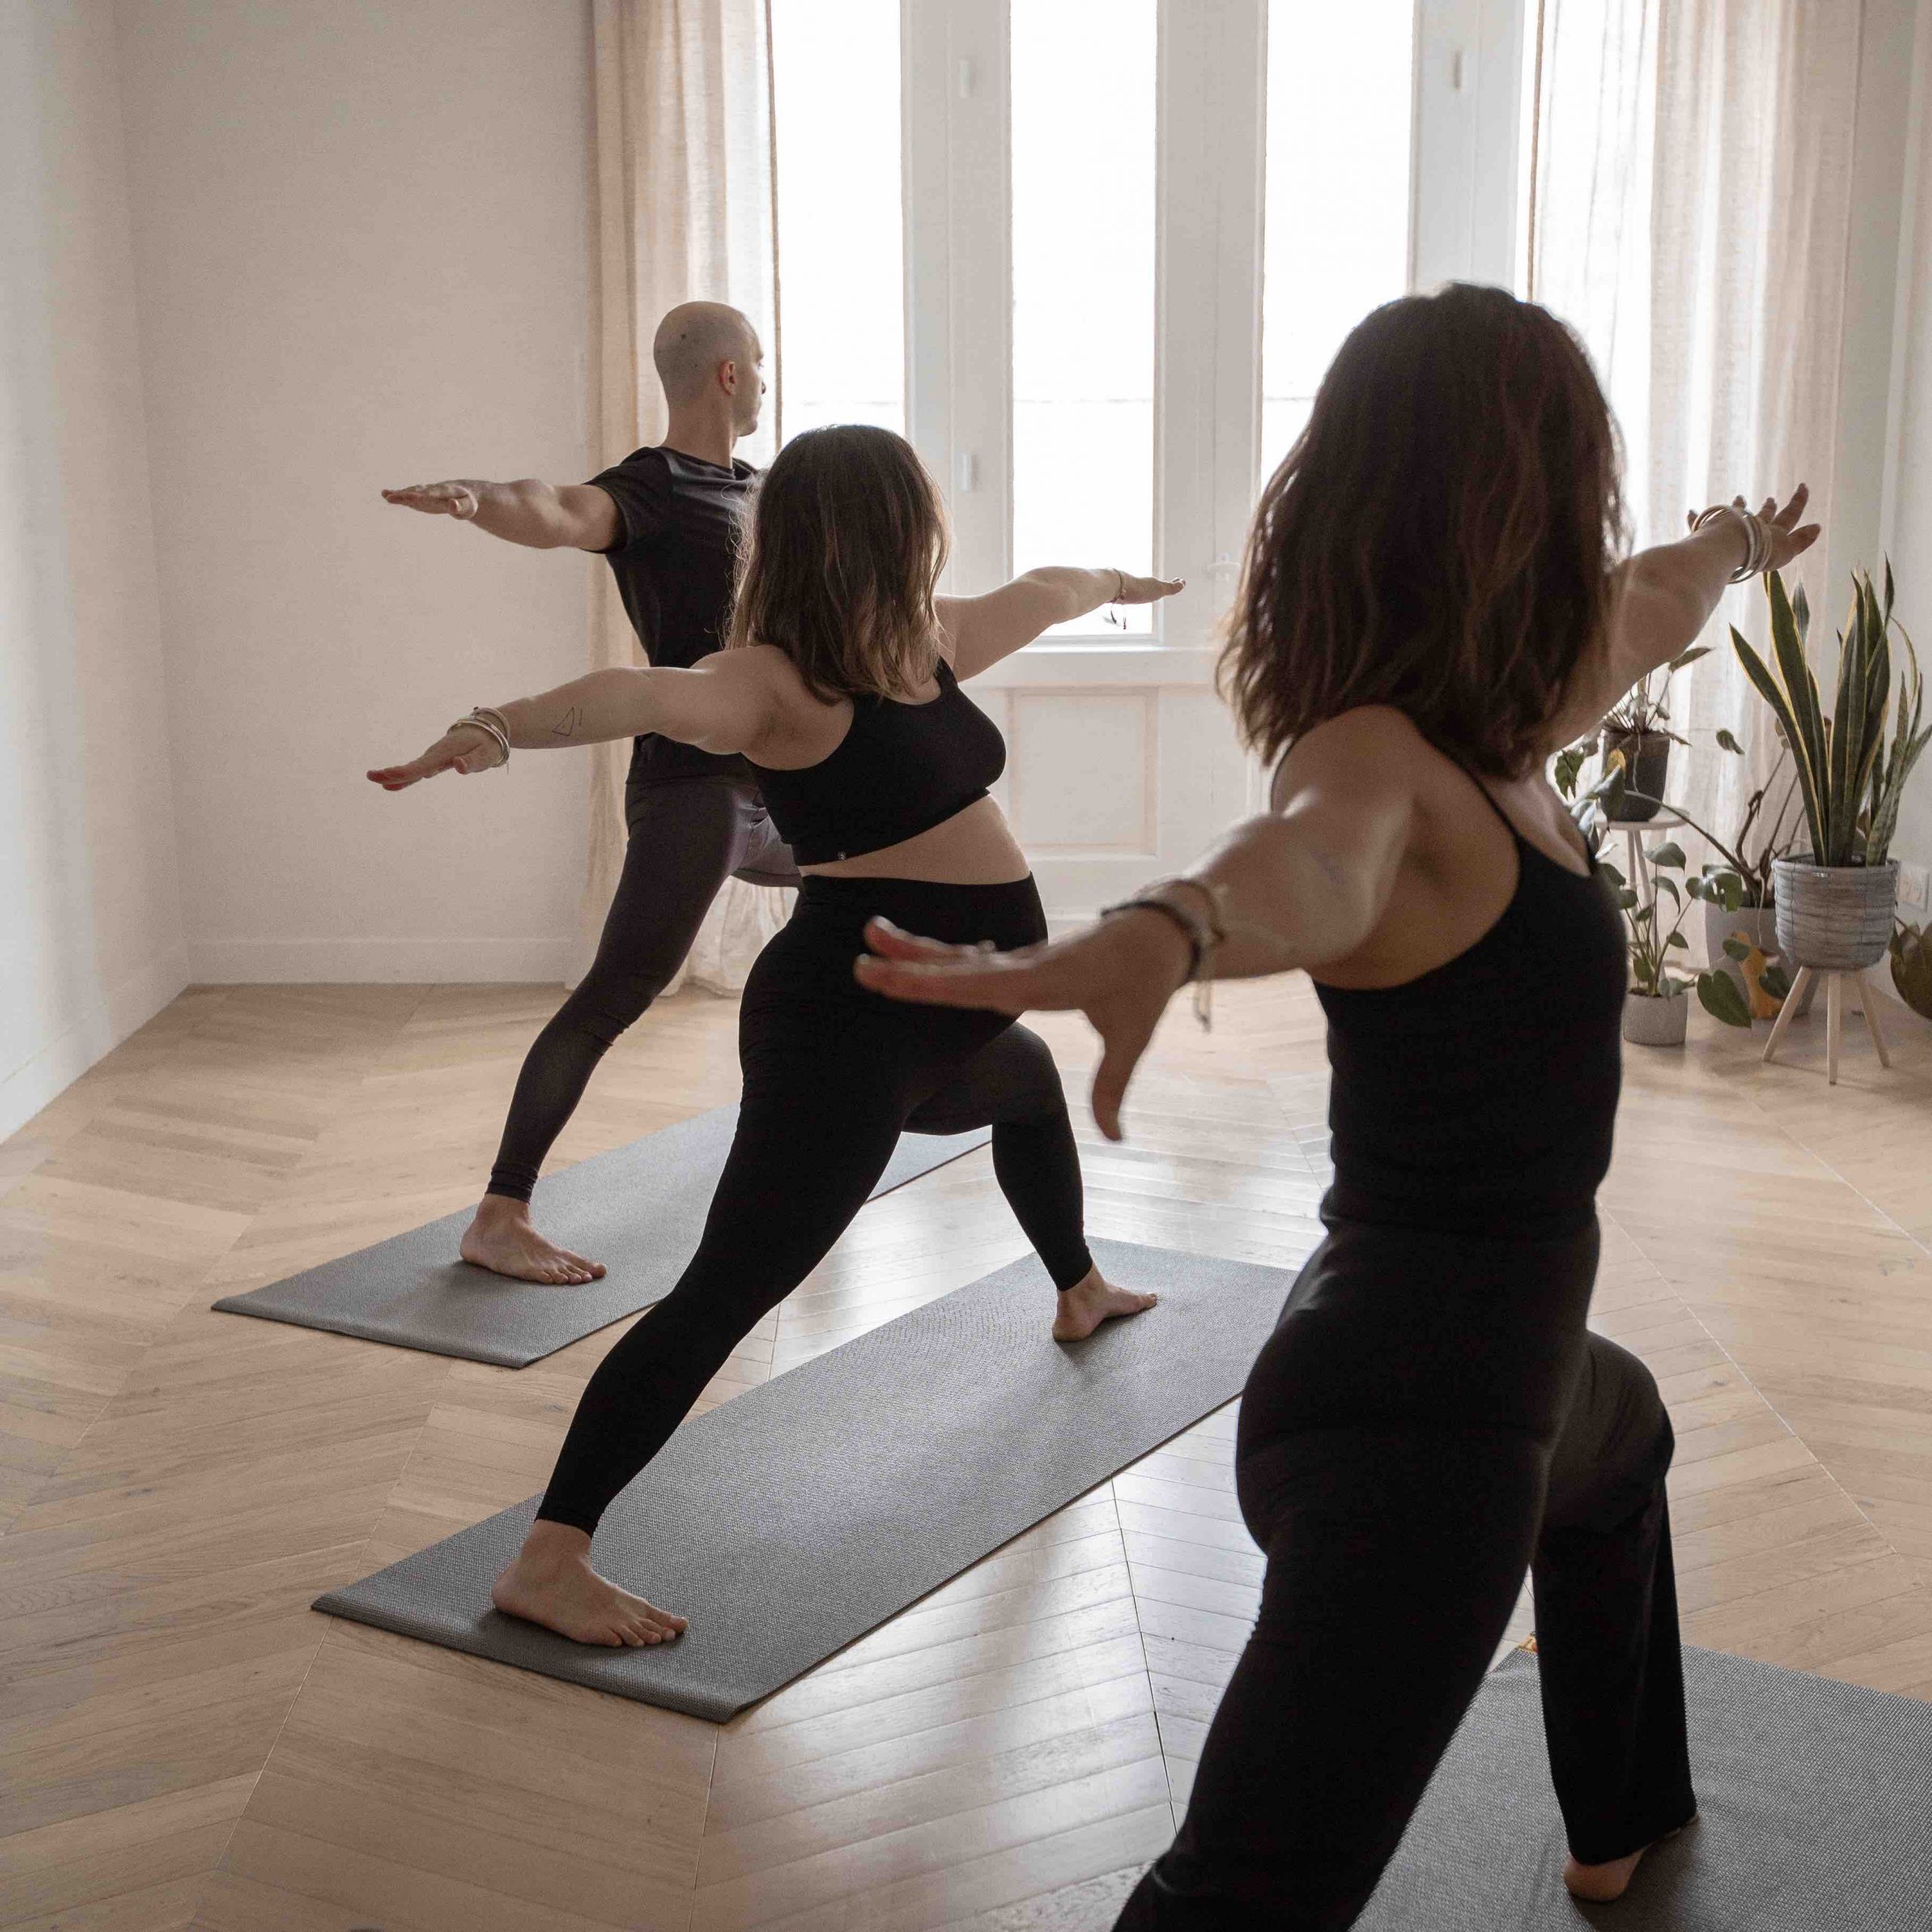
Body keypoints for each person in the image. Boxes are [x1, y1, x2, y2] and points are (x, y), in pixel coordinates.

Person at [854, 285, 1820, 1925]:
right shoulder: (1381, 756)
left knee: (1625, 1433)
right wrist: (1166, 930)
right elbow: (1301, 856)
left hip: (1466, 1362)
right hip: (1415, 1439)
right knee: (1237, 1896)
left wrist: (1728, 543)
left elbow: (1649, 603)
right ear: (1510, 498)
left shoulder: (1501, 727)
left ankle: (1614, 1823)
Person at [369, 423, 1183, 1646]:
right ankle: (547, 1555)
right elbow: (635, 696)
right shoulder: (774, 679)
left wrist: (1117, 586)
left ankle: (1078, 1291)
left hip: (948, 1013)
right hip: (847, 1026)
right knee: (728, 1291)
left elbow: (1044, 593)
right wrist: (492, 726)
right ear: (890, 526)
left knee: (1026, 1091)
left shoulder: (929, 641)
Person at [380, 300, 790, 1287]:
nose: (770, 381)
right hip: (695, 789)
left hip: (781, 784)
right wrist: (482, 498)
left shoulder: (773, 492)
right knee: (617, 993)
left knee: (873, 887)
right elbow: (560, 508)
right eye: (761, 365)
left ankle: (841, 1109)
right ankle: (500, 1213)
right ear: (727, 375)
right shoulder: (653, 489)